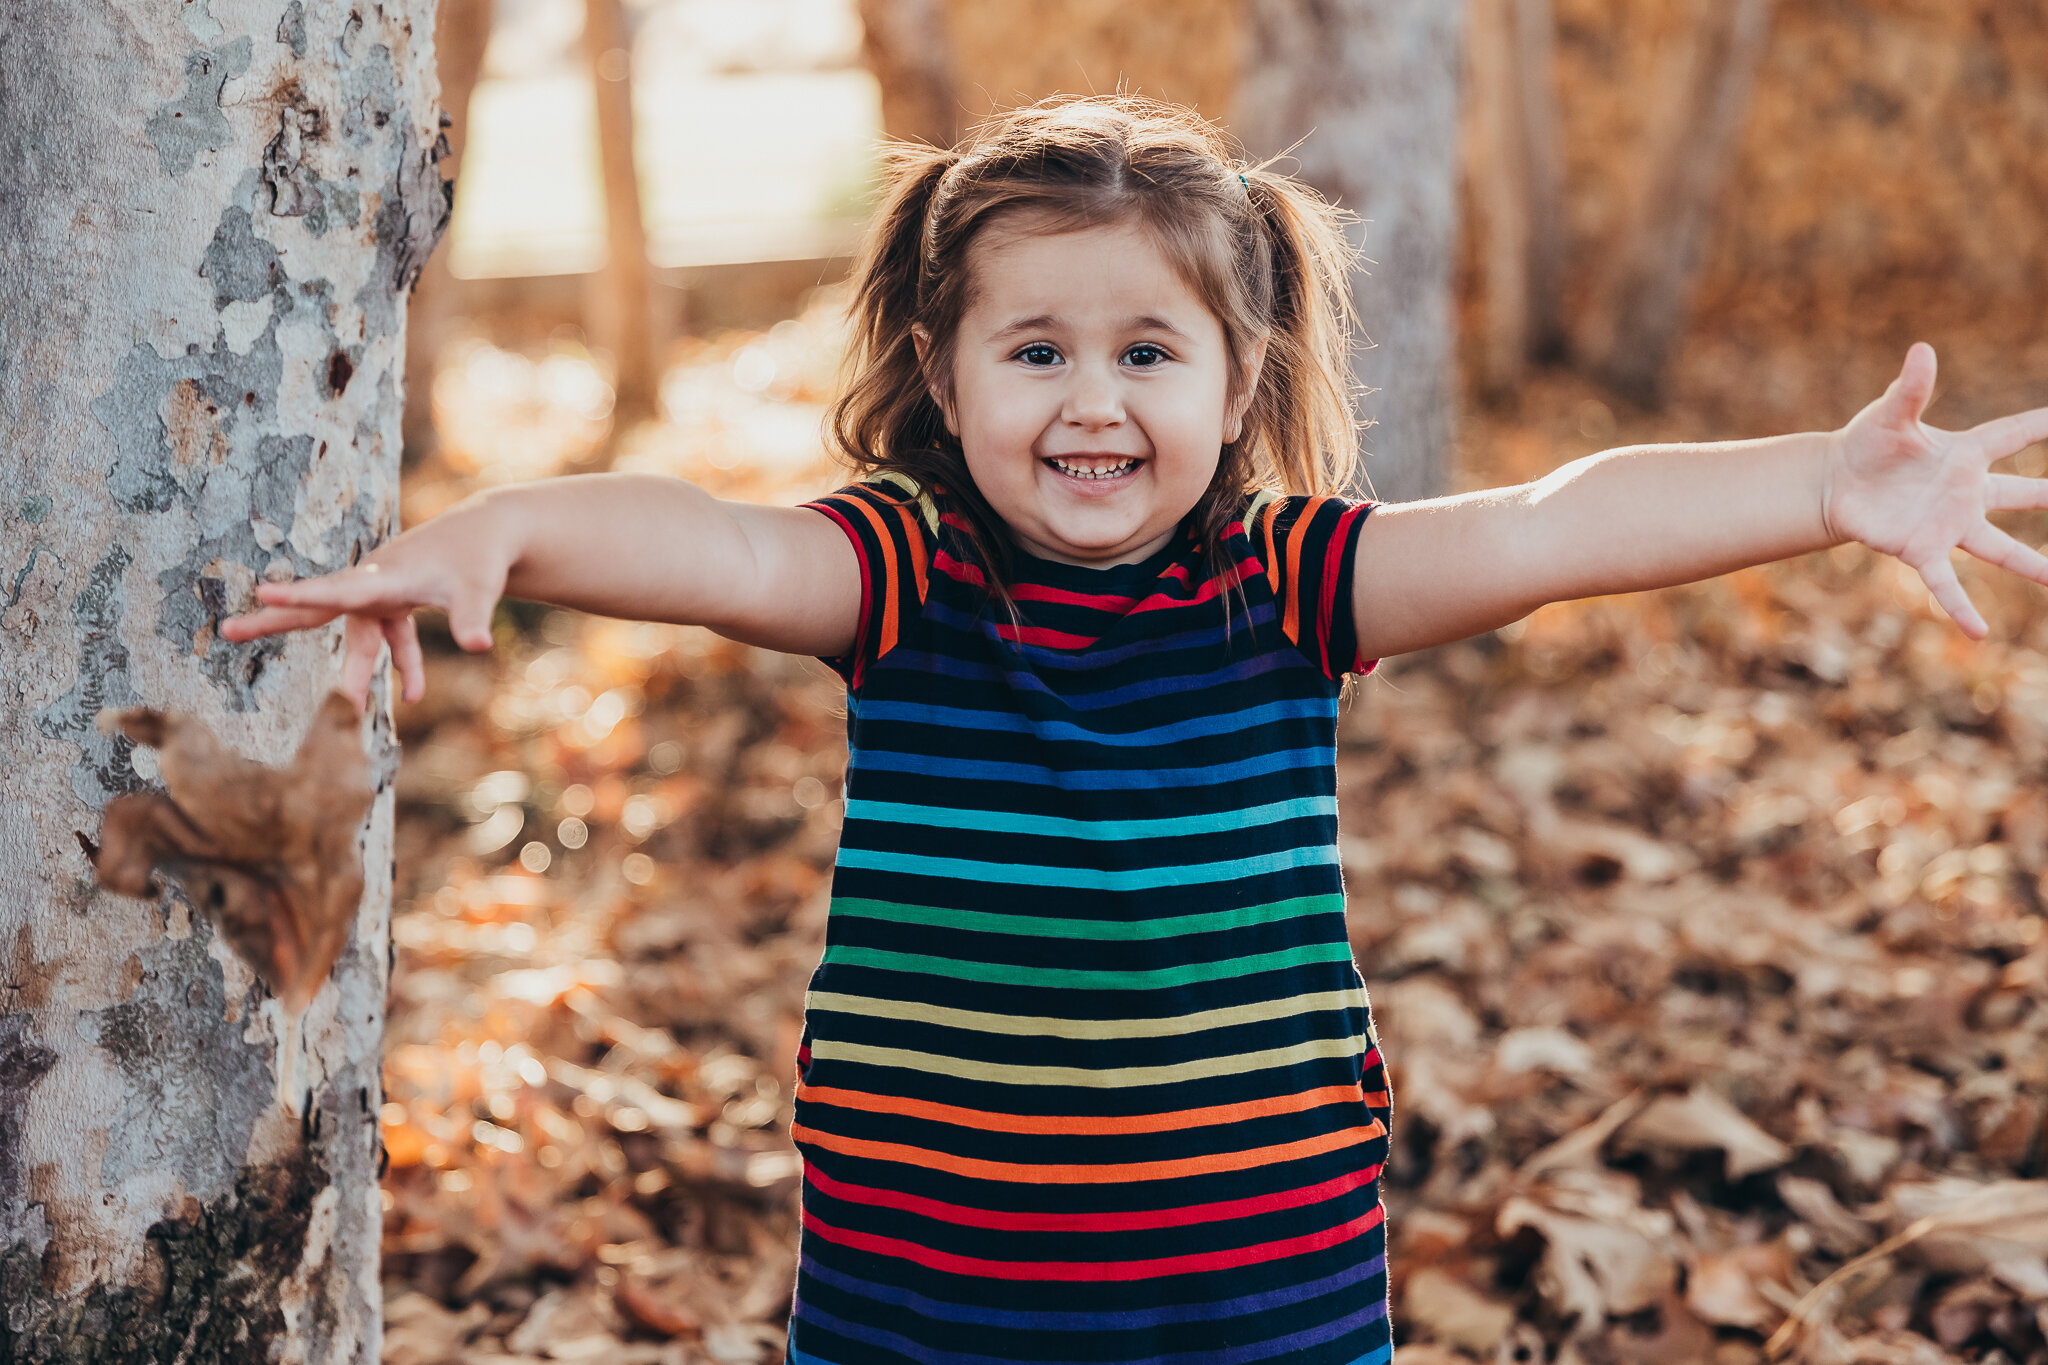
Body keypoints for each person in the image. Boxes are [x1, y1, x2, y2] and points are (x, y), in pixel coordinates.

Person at [225, 95, 2048, 1365]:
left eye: (1147, 353)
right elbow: (703, 540)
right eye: (1035, 351)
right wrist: (507, 528)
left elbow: (1547, 526)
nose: (1091, 401)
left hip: (1262, 1293)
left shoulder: (1290, 581)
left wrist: (1822, 482)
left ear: (1238, 377)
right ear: (944, 378)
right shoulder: (905, 574)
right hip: (930, 1297)